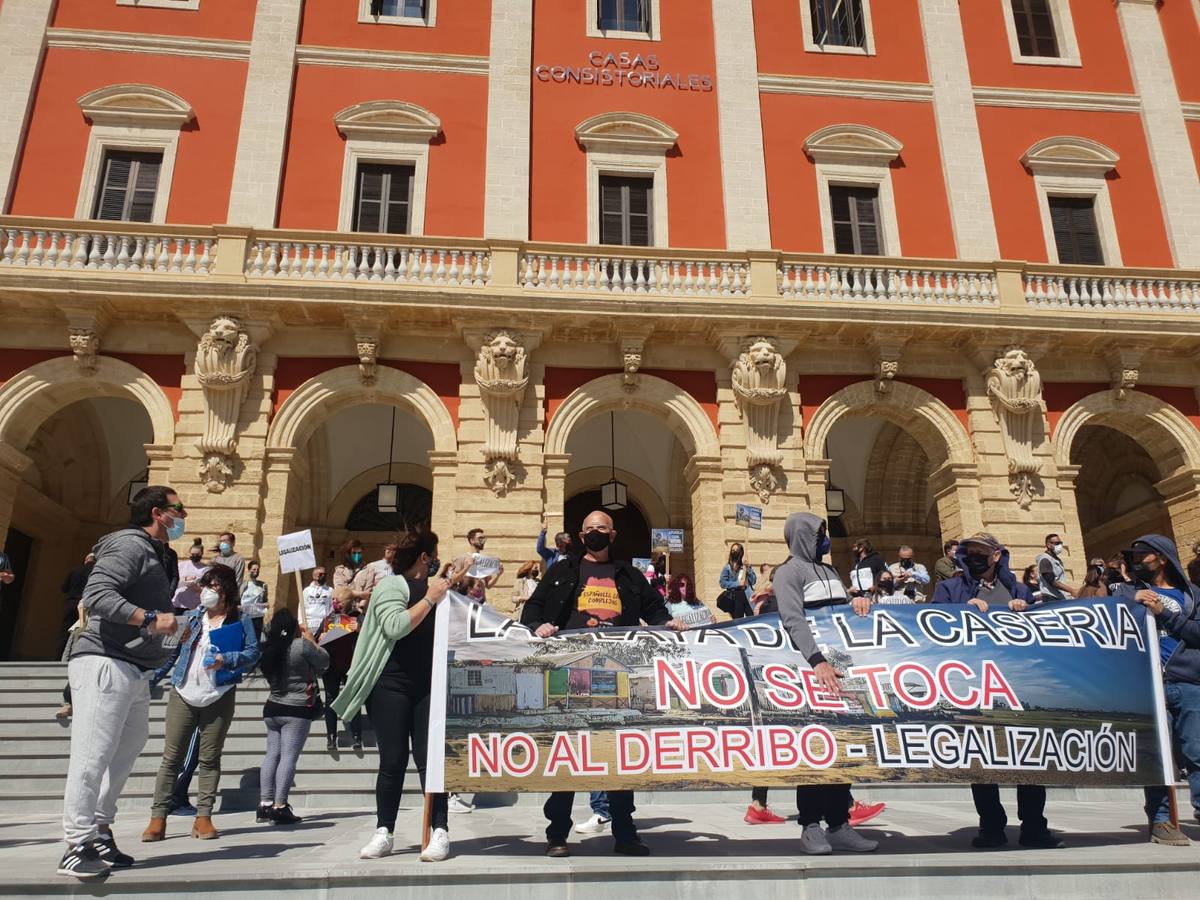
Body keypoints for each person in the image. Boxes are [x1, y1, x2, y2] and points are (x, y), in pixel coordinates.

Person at [521, 509, 687, 858]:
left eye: (602, 529)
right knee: (566, 758)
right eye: (589, 529)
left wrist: (668, 624)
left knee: (617, 758)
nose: (595, 533)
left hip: (617, 674)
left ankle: (625, 833)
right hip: (569, 675)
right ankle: (557, 834)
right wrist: (540, 626)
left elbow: (655, 610)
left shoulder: (628, 574)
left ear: (613, 536)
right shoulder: (562, 571)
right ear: (581, 537)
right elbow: (531, 611)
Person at [59, 486, 181, 880]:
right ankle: (76, 844)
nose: (183, 516)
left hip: (134, 667)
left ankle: (99, 827)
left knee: (128, 748)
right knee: (93, 753)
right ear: (160, 513)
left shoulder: (159, 554)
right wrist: (149, 618)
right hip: (103, 660)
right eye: (179, 509)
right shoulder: (129, 546)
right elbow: (97, 595)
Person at [332, 529, 457, 863]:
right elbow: (395, 626)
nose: (436, 560)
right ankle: (384, 831)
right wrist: (430, 598)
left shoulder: (440, 588)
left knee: (431, 762)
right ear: (424, 557)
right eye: (434, 554)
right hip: (390, 684)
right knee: (393, 760)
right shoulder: (391, 585)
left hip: (429, 684)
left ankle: (440, 830)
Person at [932, 533, 1061, 849]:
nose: (972, 556)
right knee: (982, 759)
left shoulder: (1019, 590)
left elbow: (1044, 630)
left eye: (980, 552)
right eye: (968, 552)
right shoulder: (949, 589)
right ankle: (991, 826)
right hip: (972, 685)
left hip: (1019, 686)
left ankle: (1034, 826)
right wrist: (960, 611)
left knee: (1031, 758)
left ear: (996, 556)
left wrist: (1026, 608)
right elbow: (929, 625)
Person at [772, 512, 878, 854]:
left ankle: (839, 823)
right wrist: (816, 661)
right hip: (812, 670)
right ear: (803, 535)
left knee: (842, 745)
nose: (824, 539)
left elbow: (843, 614)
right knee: (816, 747)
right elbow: (792, 618)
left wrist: (859, 604)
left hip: (842, 669)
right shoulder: (788, 572)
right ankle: (810, 826)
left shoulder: (830, 571)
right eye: (819, 533)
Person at [141, 563, 260, 843]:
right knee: (172, 758)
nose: (208, 591)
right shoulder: (192, 619)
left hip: (218, 693)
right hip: (183, 691)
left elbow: (253, 652)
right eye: (206, 585)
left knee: (209, 758)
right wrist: (154, 677)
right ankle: (158, 817)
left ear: (227, 590)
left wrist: (226, 660)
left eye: (215, 586)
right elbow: (174, 654)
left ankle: (204, 816)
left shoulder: (239, 620)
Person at [1113, 536, 1200, 846]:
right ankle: (1161, 820)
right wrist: (1127, 605)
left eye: (1143, 555)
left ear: (1162, 558)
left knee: (1198, 752)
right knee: (1156, 757)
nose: (1137, 561)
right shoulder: (1125, 593)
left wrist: (1164, 612)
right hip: (1147, 685)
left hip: (1189, 683)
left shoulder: (1192, 596)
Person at [256, 608, 329, 826]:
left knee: (271, 755)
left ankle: (265, 804)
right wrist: (311, 640)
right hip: (297, 708)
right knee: (288, 757)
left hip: (272, 706)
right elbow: (324, 661)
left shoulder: (268, 649)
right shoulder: (301, 646)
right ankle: (280, 805)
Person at [323, 586, 364, 752]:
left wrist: (358, 628)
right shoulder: (329, 618)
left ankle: (356, 736)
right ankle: (331, 736)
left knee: (353, 700)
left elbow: (368, 634)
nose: (335, 603)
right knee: (330, 700)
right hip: (331, 666)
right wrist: (320, 636)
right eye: (334, 600)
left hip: (351, 665)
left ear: (347, 602)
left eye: (338, 600)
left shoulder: (357, 617)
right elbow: (319, 638)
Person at [57, 553, 95, 657]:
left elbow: (64, 588)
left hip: (71, 603)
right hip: (86, 606)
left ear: (85, 560)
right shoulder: (96, 572)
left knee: (65, 631)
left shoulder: (74, 570)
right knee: (84, 631)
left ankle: (58, 658)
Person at [56, 605, 88, 721]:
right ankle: (69, 703)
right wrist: (84, 626)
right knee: (79, 671)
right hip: (90, 636)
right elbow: (83, 606)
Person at [718, 543, 757, 619]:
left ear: (741, 552)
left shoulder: (745, 566)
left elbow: (753, 581)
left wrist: (748, 568)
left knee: (751, 619)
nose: (735, 552)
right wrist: (737, 584)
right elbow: (722, 583)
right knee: (738, 620)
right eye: (733, 550)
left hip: (747, 594)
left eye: (737, 550)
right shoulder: (728, 567)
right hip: (735, 596)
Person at [1035, 533, 1075, 602]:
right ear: (1048, 545)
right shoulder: (1045, 559)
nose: (1059, 545)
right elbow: (1051, 580)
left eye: (1060, 543)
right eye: (1056, 543)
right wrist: (1071, 590)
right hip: (1051, 597)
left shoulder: (1056, 559)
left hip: (1059, 596)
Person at [172, 539, 207, 614]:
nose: (194, 556)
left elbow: (207, 587)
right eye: (192, 554)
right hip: (178, 602)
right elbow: (174, 579)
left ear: (201, 554)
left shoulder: (205, 569)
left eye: (197, 555)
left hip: (193, 604)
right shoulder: (181, 565)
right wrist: (185, 579)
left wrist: (197, 587)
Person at [239, 560, 269, 639]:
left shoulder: (263, 585)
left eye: (258, 570)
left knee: (256, 638)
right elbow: (238, 598)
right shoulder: (244, 584)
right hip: (245, 616)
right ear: (249, 570)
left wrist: (266, 605)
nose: (256, 571)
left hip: (257, 619)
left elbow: (265, 600)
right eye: (254, 569)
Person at [302, 567, 333, 634]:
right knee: (307, 644)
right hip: (309, 623)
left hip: (323, 624)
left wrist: (330, 622)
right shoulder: (307, 590)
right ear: (314, 576)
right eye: (321, 574)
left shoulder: (330, 590)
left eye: (325, 574)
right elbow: (301, 607)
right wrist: (301, 622)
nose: (323, 576)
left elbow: (332, 607)